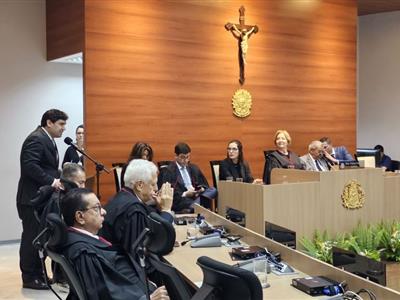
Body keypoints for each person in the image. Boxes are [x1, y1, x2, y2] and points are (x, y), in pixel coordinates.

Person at [60, 188, 170, 300]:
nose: (104, 212)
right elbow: (101, 295)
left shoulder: (80, 238)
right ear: (80, 217)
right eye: (97, 208)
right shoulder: (83, 252)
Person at [16, 109, 68, 289]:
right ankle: (30, 278)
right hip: (31, 199)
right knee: (32, 238)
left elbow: (47, 167)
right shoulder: (36, 138)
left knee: (41, 238)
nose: (64, 129)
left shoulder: (48, 139)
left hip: (42, 199)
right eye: (61, 124)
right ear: (49, 123)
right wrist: (52, 181)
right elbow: (30, 166)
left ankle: (39, 274)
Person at [100, 159, 174, 258]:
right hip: (123, 266)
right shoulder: (133, 209)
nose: (156, 188)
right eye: (153, 184)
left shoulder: (122, 197)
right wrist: (166, 210)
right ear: (139, 185)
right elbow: (147, 248)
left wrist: (160, 208)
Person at [159, 142, 217, 213]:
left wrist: (201, 189)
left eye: (187, 157)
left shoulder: (194, 168)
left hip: (197, 196)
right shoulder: (169, 171)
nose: (186, 160)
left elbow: (204, 185)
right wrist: (185, 194)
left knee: (213, 190)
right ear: (176, 156)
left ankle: (193, 207)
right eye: (182, 157)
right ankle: (196, 206)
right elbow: (169, 192)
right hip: (182, 199)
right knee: (197, 201)